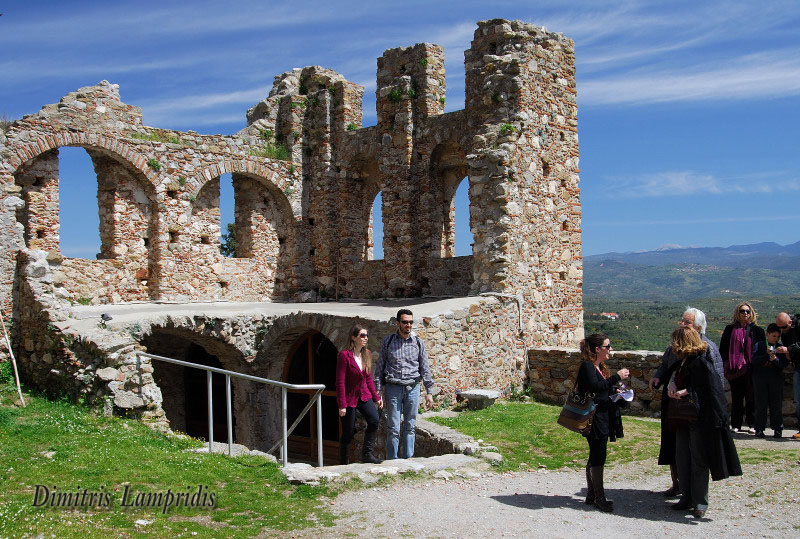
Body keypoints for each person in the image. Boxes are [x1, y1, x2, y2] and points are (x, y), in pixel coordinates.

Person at [667, 327, 742, 518]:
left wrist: (687, 392)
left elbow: (710, 390)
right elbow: (676, 378)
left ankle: (700, 501)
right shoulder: (683, 362)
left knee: (698, 459)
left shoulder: (701, 362)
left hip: (699, 419)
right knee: (682, 458)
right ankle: (686, 497)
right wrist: (673, 384)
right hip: (683, 418)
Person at [650, 307, 724, 496]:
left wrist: (692, 393)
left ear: (698, 327)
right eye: (682, 321)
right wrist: (659, 377)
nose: (683, 324)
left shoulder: (709, 349)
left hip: (697, 410)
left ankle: (697, 497)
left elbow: (716, 382)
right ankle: (679, 486)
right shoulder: (675, 345)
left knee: (697, 454)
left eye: (687, 322)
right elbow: (665, 365)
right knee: (675, 449)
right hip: (675, 407)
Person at [577, 333, 630, 513]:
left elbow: (602, 388)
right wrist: (616, 377)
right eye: (608, 346)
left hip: (603, 416)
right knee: (598, 454)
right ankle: (599, 497)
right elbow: (595, 388)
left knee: (596, 453)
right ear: (597, 349)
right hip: (594, 418)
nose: (610, 350)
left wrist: (616, 390)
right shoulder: (587, 366)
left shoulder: (598, 366)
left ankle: (592, 494)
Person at [374, 309, 434, 460]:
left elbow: (425, 368)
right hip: (393, 388)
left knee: (410, 427)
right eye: (405, 322)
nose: (408, 325)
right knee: (393, 428)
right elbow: (379, 368)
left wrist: (429, 392)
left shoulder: (418, 343)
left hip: (412, 388)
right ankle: (392, 462)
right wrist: (378, 390)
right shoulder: (388, 342)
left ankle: (409, 461)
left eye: (411, 322)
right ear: (398, 323)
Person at [336, 324, 382, 465]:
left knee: (374, 420)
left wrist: (376, 398)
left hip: (363, 395)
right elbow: (340, 382)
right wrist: (342, 405)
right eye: (362, 335)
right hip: (349, 398)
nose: (365, 338)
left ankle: (367, 454)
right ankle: (344, 462)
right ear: (353, 337)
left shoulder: (366, 354)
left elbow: (368, 378)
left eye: (366, 335)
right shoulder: (345, 355)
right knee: (348, 432)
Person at [719, 301, 765, 433]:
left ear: (751, 313)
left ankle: (752, 423)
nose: (745, 313)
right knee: (737, 397)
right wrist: (726, 364)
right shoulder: (730, 329)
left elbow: (763, 349)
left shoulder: (758, 331)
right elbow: (723, 349)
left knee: (752, 396)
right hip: (735, 369)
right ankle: (736, 424)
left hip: (752, 368)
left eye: (747, 311)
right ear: (737, 313)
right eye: (742, 311)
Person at [752, 324, 789, 438]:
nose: (776, 339)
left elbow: (783, 365)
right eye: (774, 336)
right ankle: (759, 428)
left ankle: (778, 429)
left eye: (778, 336)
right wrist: (766, 356)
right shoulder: (759, 346)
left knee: (776, 405)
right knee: (760, 405)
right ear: (767, 335)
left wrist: (775, 360)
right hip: (761, 380)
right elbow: (753, 361)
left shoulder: (780, 348)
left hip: (775, 380)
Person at [775, 312, 800, 440]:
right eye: (779, 328)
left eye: (783, 327)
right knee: (798, 400)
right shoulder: (786, 333)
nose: (781, 330)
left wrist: (788, 350)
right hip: (798, 367)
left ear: (790, 322)